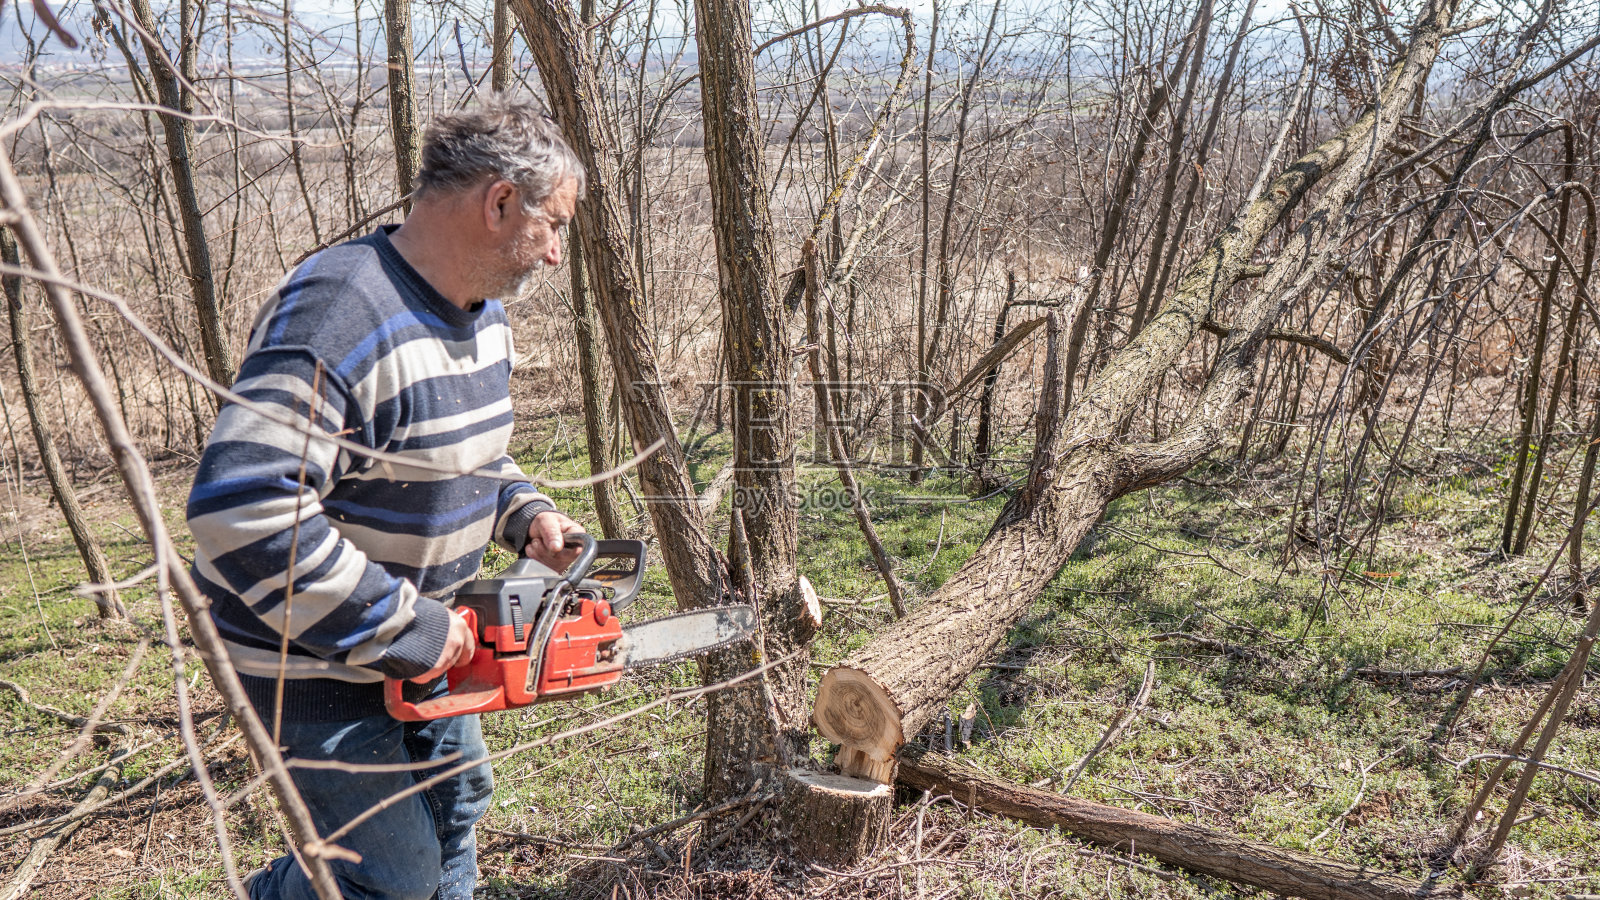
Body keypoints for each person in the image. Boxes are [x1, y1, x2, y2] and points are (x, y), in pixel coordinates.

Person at [186, 102, 588, 900]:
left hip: (424, 648)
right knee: (391, 879)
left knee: (458, 814)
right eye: (552, 225)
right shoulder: (342, 310)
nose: (553, 255)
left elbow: (464, 455)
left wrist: (526, 512)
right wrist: (403, 625)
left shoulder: (484, 317)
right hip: (307, 662)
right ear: (499, 201)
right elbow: (244, 508)